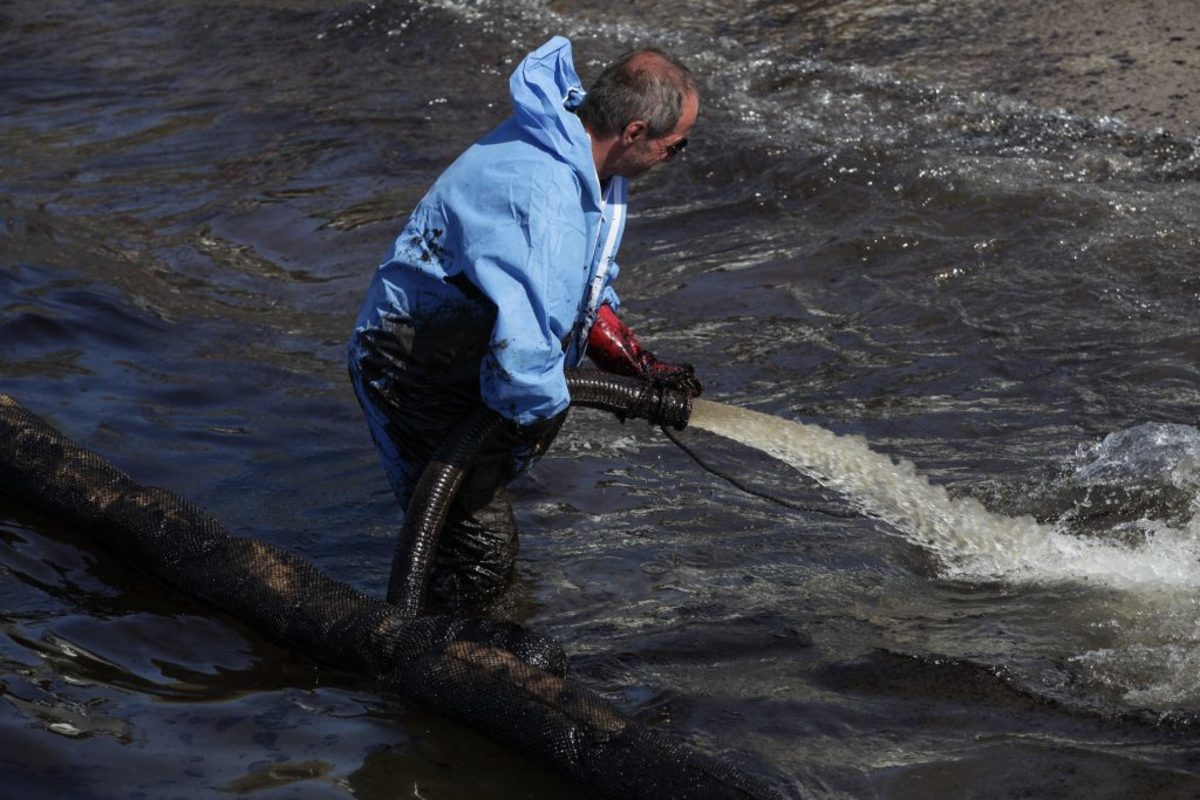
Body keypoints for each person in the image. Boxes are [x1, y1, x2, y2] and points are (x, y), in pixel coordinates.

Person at [348, 36, 703, 612]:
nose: (674, 158)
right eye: (675, 147)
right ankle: (435, 658)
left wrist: (633, 366)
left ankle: (443, 623)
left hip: (463, 348)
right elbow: (523, 353)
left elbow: (582, 287)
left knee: (465, 520)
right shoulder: (545, 197)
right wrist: (548, 409)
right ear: (634, 132)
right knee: (481, 546)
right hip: (411, 366)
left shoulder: (580, 155)